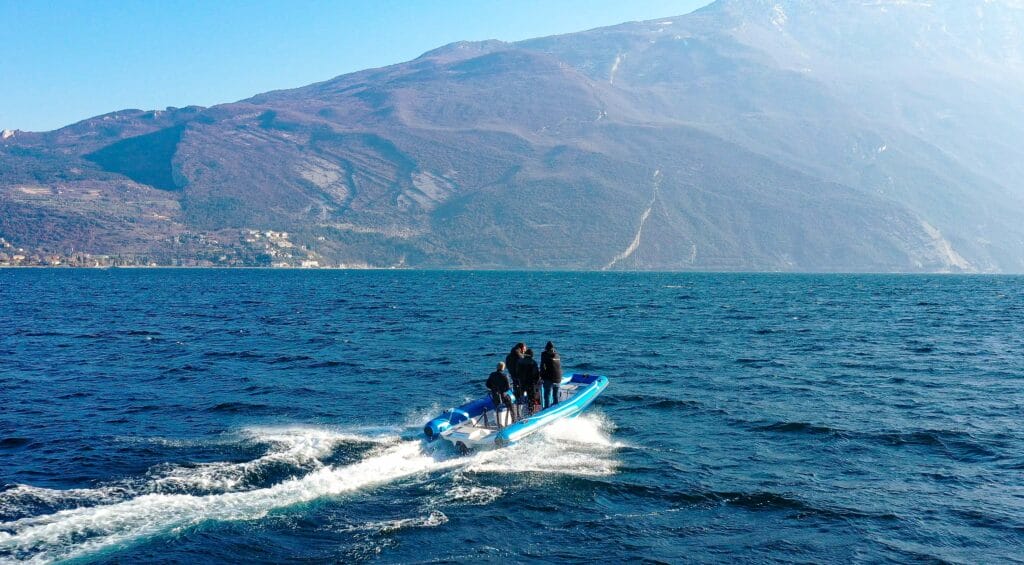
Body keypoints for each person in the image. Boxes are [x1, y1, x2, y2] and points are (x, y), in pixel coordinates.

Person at [486, 362, 515, 428]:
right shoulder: (504, 376)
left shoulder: (492, 374)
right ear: (503, 368)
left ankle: (499, 423)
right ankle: (514, 420)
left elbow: (487, 384)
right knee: (511, 406)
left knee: (497, 407)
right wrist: (502, 391)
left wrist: (493, 389)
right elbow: (508, 387)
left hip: (495, 395)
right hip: (503, 395)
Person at [517, 348, 541, 415]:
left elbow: (517, 372)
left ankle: (521, 411)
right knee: (531, 397)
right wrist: (536, 381)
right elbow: (536, 374)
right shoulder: (533, 362)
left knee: (522, 396)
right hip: (530, 383)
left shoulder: (519, 361)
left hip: (522, 382)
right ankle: (531, 411)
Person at [540, 341, 563, 408]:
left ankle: (546, 409)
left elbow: (542, 367)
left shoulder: (545, 355)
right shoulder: (558, 355)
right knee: (555, 395)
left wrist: (541, 377)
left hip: (550, 379)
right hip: (558, 378)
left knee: (547, 394)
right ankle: (556, 407)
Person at [505, 343, 526, 409]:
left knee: (516, 388)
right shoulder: (520, 356)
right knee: (521, 390)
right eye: (524, 349)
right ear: (521, 348)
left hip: (513, 375)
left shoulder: (508, 356)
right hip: (520, 377)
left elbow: (507, 365)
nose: (525, 350)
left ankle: (517, 402)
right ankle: (522, 406)